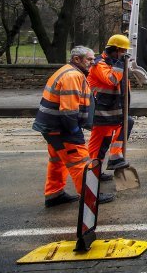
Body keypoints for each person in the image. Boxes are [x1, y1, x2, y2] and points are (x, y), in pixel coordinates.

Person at [33, 46, 114, 207]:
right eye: (89, 59)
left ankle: (54, 194)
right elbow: (69, 110)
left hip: (51, 126)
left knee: (57, 160)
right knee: (80, 161)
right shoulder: (72, 76)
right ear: (77, 59)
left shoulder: (68, 71)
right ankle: (90, 195)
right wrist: (74, 131)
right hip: (62, 128)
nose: (93, 62)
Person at [87, 34, 134, 181]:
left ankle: (112, 158)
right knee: (97, 146)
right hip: (101, 112)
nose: (124, 54)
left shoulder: (114, 64)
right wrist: (120, 64)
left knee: (127, 123)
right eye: (122, 51)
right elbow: (112, 80)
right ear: (114, 50)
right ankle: (91, 175)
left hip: (111, 111)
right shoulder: (99, 64)